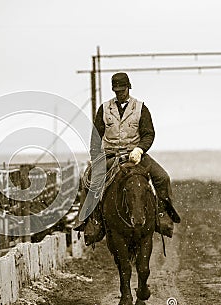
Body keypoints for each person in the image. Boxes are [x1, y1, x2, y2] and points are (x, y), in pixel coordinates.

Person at [77, 72, 180, 243]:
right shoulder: (104, 109)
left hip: (135, 155)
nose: (120, 93)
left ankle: (162, 216)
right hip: (111, 155)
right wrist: (96, 159)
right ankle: (92, 222)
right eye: (116, 90)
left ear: (128, 87)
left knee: (162, 177)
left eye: (122, 90)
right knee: (87, 180)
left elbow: (148, 134)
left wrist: (139, 149)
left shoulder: (140, 108)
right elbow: (96, 138)